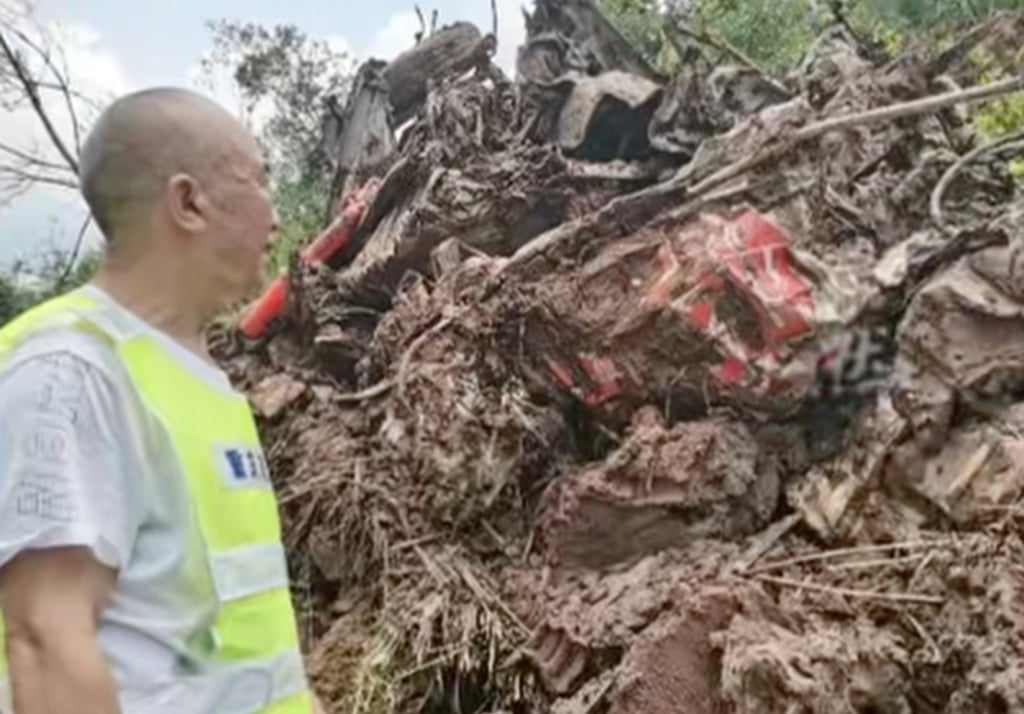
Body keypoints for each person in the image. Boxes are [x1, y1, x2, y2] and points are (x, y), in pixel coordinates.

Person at [0, 88, 326, 714]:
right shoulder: (72, 368)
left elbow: (239, 627)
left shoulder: (198, 380)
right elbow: (46, 644)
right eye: (260, 182)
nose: (277, 218)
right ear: (188, 202)